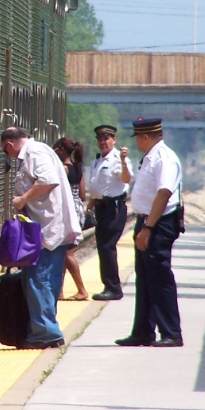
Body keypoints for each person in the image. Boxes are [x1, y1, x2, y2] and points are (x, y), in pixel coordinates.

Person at [1, 126, 80, 348]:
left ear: (9, 145)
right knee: (44, 280)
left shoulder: (34, 153)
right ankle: (45, 328)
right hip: (47, 228)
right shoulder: (39, 150)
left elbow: (48, 180)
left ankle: (45, 332)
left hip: (48, 229)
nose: (9, 157)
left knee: (39, 279)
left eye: (6, 152)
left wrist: (22, 199)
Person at [115, 117, 185, 347]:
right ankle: (143, 331)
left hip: (158, 224)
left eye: (137, 137)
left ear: (145, 136)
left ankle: (171, 333)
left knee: (160, 278)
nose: (136, 141)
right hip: (148, 222)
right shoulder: (150, 158)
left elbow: (163, 194)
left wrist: (148, 228)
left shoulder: (163, 158)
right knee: (145, 279)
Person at [85, 124, 133, 301]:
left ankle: (114, 288)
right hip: (101, 208)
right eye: (100, 139)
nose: (103, 142)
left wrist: (123, 161)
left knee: (107, 247)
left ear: (114, 140)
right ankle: (109, 285)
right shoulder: (97, 160)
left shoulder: (118, 160)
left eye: (106, 138)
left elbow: (127, 179)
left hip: (114, 208)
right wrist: (88, 208)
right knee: (103, 247)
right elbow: (97, 187)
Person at [53, 137, 89, 301]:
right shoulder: (77, 168)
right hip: (77, 210)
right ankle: (59, 292)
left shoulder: (63, 169)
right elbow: (82, 195)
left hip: (68, 211)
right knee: (64, 252)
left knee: (67, 253)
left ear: (61, 149)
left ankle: (82, 290)